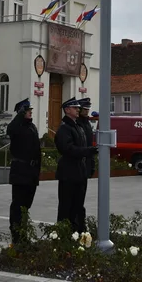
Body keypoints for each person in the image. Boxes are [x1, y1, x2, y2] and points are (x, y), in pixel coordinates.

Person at [55, 97, 98, 232]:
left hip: (79, 171)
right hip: (69, 172)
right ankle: (64, 235)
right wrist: (88, 151)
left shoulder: (77, 126)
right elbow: (68, 149)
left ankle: (78, 231)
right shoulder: (65, 128)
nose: (78, 110)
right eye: (75, 108)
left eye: (78, 108)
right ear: (67, 110)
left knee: (78, 204)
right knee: (66, 206)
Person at [7, 98, 41, 243]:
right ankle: (17, 236)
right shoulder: (17, 126)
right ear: (21, 112)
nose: (30, 113)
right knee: (18, 205)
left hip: (31, 172)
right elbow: (10, 130)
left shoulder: (31, 126)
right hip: (20, 171)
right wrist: (19, 115)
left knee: (26, 205)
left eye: (30, 110)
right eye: (27, 111)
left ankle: (24, 233)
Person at [75, 97, 96, 231]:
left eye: (88, 109)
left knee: (81, 197)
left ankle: (81, 225)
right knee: (76, 199)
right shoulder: (78, 123)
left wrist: (91, 163)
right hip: (78, 164)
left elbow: (90, 144)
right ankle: (78, 225)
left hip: (86, 163)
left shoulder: (87, 123)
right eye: (85, 109)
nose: (87, 111)